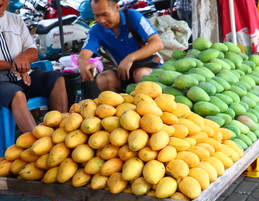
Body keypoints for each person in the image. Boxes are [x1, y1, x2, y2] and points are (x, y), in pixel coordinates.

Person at [0, 0, 68, 133]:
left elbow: (32, 50)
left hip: (23, 76)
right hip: (2, 82)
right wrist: (13, 65)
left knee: (56, 79)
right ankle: (38, 142)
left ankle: (61, 132)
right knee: (17, 95)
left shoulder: (15, 20)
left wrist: (24, 57)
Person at [77, 0, 163, 92]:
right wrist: (83, 63)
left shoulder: (132, 16)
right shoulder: (96, 30)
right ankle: (114, 105)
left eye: (105, 14)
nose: (101, 20)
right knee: (104, 78)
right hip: (124, 73)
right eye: (96, 16)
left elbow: (157, 43)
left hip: (151, 67)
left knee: (141, 74)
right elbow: (85, 53)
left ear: (116, 7)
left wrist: (130, 58)